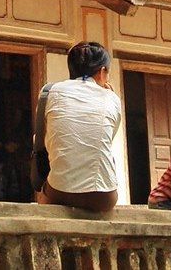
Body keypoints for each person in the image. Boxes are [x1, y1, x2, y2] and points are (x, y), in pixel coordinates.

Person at [40, 42, 121, 212]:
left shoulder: (49, 92)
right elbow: (107, 139)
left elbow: (44, 137)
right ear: (103, 71)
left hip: (59, 191)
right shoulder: (112, 98)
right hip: (103, 196)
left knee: (44, 194)